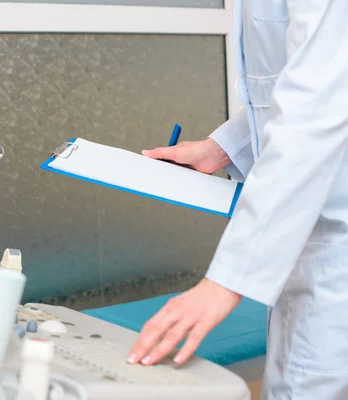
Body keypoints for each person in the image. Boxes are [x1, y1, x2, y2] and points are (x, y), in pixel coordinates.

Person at [126, 0, 348, 398]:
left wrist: (226, 281)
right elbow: (288, 86)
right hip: (312, 243)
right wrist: (223, 147)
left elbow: (318, 107)